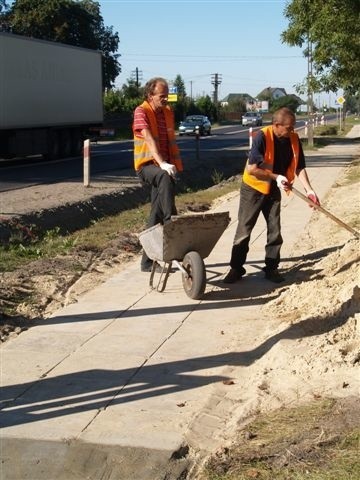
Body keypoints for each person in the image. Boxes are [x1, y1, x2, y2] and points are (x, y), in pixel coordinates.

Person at [224, 107, 320, 284]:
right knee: (244, 229)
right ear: (277, 125)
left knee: (274, 229)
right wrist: (276, 176)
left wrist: (309, 190)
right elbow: (252, 169)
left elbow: (299, 167)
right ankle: (236, 268)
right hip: (253, 188)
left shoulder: (293, 139)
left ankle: (271, 268)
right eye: (289, 127)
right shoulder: (262, 136)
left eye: (293, 127)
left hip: (274, 188)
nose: (293, 130)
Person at [133, 77, 183, 272]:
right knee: (163, 181)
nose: (166, 99)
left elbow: (170, 141)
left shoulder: (168, 113)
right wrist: (162, 164)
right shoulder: (141, 111)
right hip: (147, 166)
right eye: (162, 96)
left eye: (167, 95)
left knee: (156, 214)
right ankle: (172, 221)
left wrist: (171, 165)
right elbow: (148, 138)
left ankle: (147, 262)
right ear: (150, 96)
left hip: (165, 167)